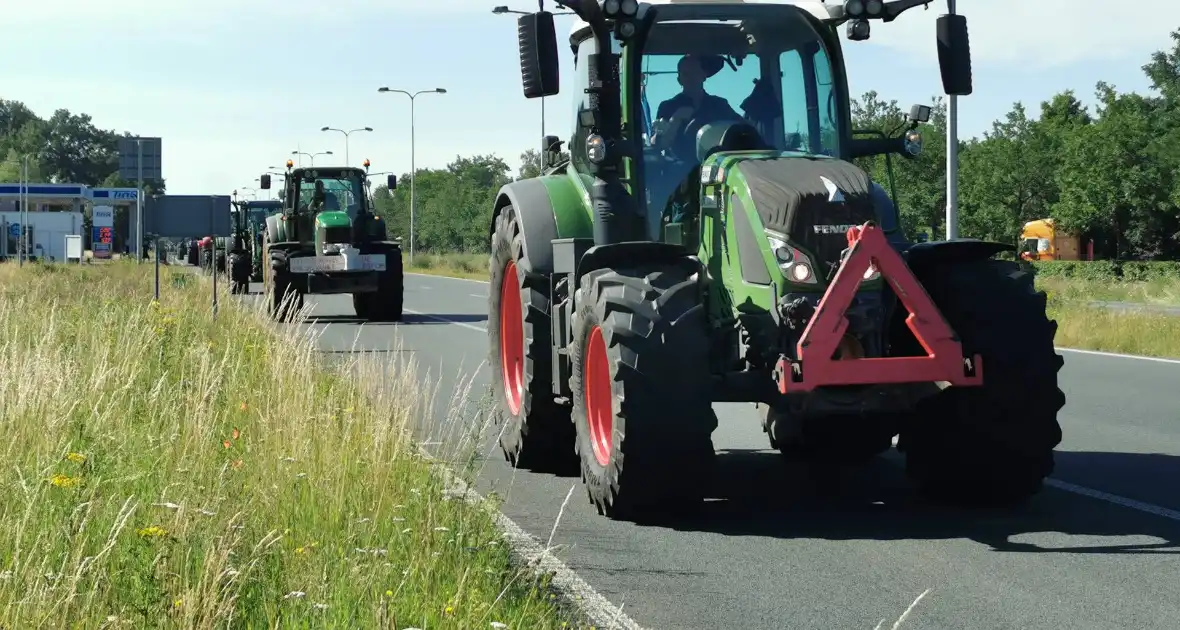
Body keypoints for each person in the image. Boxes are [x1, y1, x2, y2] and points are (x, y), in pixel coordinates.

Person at [650, 54, 743, 159]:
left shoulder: (719, 105)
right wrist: (675, 119)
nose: (691, 78)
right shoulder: (668, 107)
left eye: (695, 73)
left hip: (717, 163)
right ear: (679, 80)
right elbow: (657, 144)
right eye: (686, 74)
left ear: (704, 76)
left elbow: (743, 129)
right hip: (680, 168)